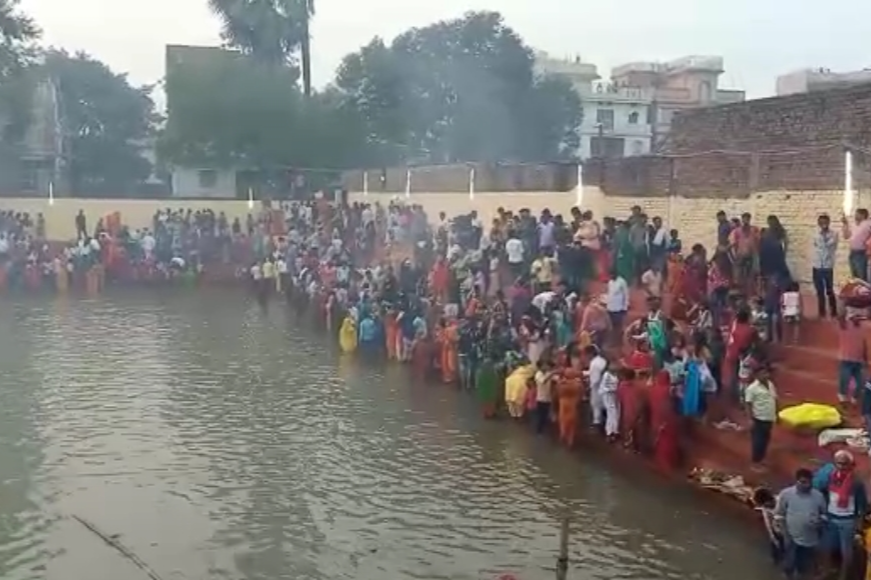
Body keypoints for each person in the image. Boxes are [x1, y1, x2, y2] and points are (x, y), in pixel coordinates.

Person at [814, 450, 869, 580]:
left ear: (851, 464)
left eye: (844, 464)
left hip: (848, 521)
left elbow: (862, 505)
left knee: (847, 553)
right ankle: (826, 572)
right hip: (831, 518)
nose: (841, 466)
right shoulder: (829, 477)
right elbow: (820, 492)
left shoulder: (857, 483)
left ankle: (843, 577)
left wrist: (859, 525)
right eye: (839, 463)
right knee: (826, 547)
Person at [775, 468, 826, 580]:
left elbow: (824, 514)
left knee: (805, 563)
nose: (806, 485)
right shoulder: (786, 494)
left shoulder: (818, 496)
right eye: (803, 482)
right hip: (791, 535)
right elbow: (779, 515)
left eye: (809, 482)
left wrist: (820, 522)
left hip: (811, 537)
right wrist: (785, 534)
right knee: (789, 562)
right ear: (796, 481)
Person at [744, 365, 777, 471]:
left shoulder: (770, 384)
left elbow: (774, 399)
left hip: (769, 418)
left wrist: (777, 414)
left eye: (766, 373)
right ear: (757, 375)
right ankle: (755, 463)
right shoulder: (752, 388)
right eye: (763, 373)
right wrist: (750, 419)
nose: (766, 375)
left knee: (765, 440)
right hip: (758, 419)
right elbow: (748, 404)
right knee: (758, 442)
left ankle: (761, 460)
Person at [812, 214, 839, 318]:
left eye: (825, 222)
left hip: (828, 266)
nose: (823, 224)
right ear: (818, 223)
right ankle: (821, 311)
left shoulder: (834, 234)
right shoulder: (815, 234)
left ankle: (834, 311)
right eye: (821, 222)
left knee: (829, 290)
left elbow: (828, 245)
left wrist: (824, 236)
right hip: (817, 265)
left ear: (829, 222)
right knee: (819, 291)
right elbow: (815, 246)